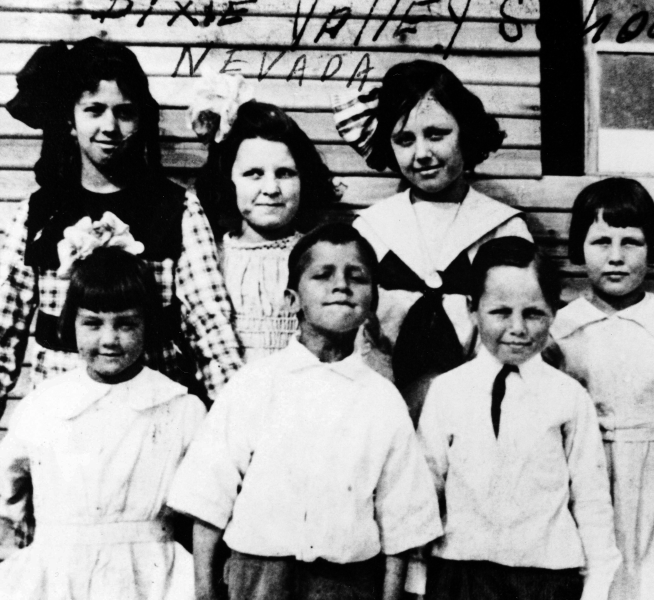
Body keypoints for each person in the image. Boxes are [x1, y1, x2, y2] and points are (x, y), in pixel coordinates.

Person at [168, 223, 443, 600]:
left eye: (357, 276)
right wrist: (204, 591)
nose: (341, 285)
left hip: (346, 583)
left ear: (373, 300)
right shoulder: (255, 384)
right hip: (258, 576)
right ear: (292, 300)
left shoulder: (382, 400)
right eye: (323, 275)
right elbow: (208, 497)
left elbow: (402, 519)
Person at [0, 37, 242, 409]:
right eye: (94, 110)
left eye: (125, 112)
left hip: (153, 410)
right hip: (63, 416)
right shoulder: (39, 213)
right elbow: (4, 327)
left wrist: (235, 417)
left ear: (141, 118)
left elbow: (210, 324)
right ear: (70, 118)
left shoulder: (175, 207)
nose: (110, 126)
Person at [415, 236, 620, 600]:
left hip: (545, 581)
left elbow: (591, 498)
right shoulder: (448, 391)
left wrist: (598, 585)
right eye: (500, 312)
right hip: (461, 576)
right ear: (471, 309)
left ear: (554, 312)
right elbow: (427, 488)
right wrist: (416, 579)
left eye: (533, 313)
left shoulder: (568, 396)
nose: (518, 328)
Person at [0, 242, 205, 599]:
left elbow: (203, 505)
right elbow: (7, 494)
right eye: (93, 324)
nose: (109, 340)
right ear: (71, 323)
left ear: (147, 324)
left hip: (152, 576)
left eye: (126, 324)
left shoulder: (180, 408)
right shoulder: (43, 406)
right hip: (57, 575)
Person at [333, 60, 533, 395]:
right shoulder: (372, 229)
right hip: (383, 401)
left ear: (465, 132)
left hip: (480, 403)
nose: (422, 153)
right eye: (405, 140)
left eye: (436, 135)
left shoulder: (504, 228)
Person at [550, 178, 654, 600]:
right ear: (579, 248)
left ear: (653, 248)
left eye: (630, 241)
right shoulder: (560, 329)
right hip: (585, 478)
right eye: (600, 242)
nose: (615, 257)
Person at [193, 98, 339, 361]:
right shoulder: (212, 259)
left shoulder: (319, 256)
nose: (271, 189)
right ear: (227, 180)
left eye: (284, 173)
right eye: (254, 174)